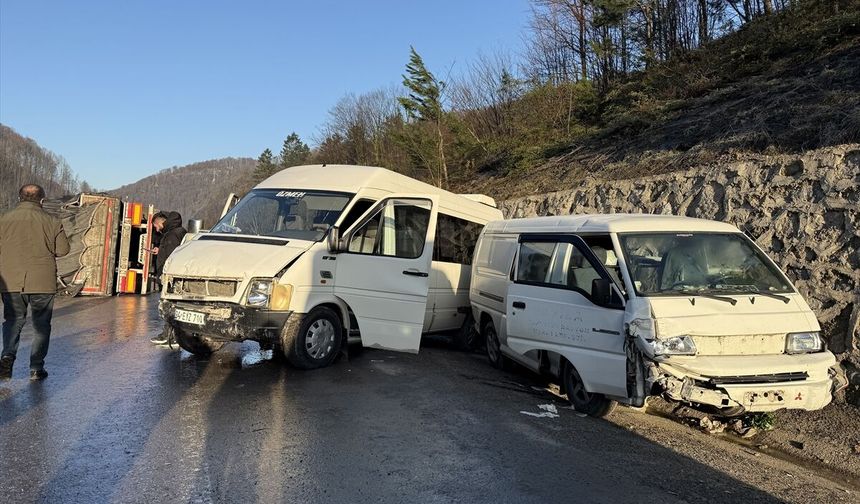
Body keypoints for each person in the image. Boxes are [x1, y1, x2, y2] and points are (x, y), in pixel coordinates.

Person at [0, 184, 70, 380]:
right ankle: (36, 368)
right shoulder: (52, 221)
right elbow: (63, 250)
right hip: (42, 281)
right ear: (42, 200)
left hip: (11, 279)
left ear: (19, 198)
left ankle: (7, 355)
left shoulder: (3, 219)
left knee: (13, 321)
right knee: (41, 325)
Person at [149, 211, 187, 345]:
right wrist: (160, 250)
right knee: (172, 306)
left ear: (160, 222)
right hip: (172, 277)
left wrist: (165, 276)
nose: (156, 228)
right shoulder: (177, 232)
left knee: (169, 306)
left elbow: (172, 257)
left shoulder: (172, 235)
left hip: (170, 278)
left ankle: (169, 336)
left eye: (155, 225)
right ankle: (172, 336)